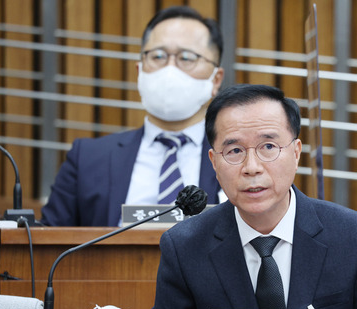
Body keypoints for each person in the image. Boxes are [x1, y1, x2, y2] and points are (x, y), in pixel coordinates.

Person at [151, 84, 357, 309]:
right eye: (235, 151)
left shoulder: (356, 240)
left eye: (268, 147)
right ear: (214, 162)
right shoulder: (185, 247)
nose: (252, 167)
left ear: (296, 153)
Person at [40, 6, 225, 226]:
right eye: (158, 56)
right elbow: (47, 243)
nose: (169, 69)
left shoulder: (236, 158)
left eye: (186, 58)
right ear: (139, 72)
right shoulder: (88, 159)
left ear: (216, 80)